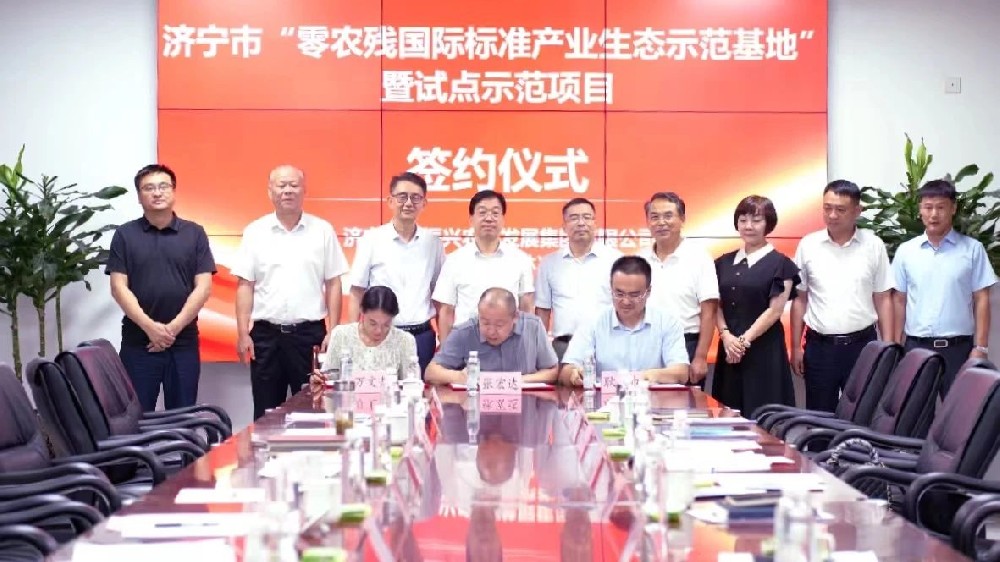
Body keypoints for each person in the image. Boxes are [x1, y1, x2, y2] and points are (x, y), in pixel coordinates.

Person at [230, 164, 349, 419]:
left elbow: (334, 283)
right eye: (281, 185)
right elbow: (245, 285)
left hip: (308, 335)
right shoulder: (255, 232)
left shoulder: (322, 231)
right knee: (265, 413)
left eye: (294, 185)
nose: (287, 190)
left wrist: (334, 330)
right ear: (270, 191)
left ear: (304, 190)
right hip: (266, 336)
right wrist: (242, 333)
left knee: (312, 410)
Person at [106, 164, 216, 411]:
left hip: (183, 341)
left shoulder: (194, 233)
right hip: (139, 342)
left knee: (183, 416)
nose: (157, 193)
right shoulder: (125, 235)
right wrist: (150, 328)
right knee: (137, 417)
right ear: (139, 196)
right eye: (149, 188)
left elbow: (203, 287)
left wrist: (171, 330)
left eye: (163, 186)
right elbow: (118, 287)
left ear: (173, 192)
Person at [790, 180, 893, 412]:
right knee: (819, 417)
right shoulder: (809, 245)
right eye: (827, 208)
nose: (832, 215)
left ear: (857, 211)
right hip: (820, 347)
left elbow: (883, 298)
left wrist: (887, 347)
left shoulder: (873, 245)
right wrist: (795, 347)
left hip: (863, 347)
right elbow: (800, 299)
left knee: (861, 415)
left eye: (840, 209)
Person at [892, 179, 996, 395]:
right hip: (916, 348)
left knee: (960, 411)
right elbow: (899, 300)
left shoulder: (973, 250)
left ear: (953, 208)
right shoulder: (906, 252)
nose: (934, 214)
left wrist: (981, 347)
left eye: (940, 207)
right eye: (928, 207)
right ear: (920, 209)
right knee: (914, 411)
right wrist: (896, 345)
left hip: (959, 350)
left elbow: (982, 299)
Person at [348, 172, 443, 376]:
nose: (408, 203)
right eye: (402, 197)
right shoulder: (372, 239)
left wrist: (445, 339)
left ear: (424, 203)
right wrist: (353, 338)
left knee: (419, 393)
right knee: (378, 392)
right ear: (390, 201)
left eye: (415, 198)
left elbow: (439, 296)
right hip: (381, 335)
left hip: (421, 336)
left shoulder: (433, 243)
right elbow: (357, 291)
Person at [712, 195, 799, 415]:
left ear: (768, 224)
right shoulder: (722, 263)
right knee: (728, 415)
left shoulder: (781, 264)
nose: (748, 226)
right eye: (743, 220)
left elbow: (775, 310)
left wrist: (743, 342)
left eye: (756, 220)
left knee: (763, 416)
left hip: (764, 351)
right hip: (729, 349)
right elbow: (714, 305)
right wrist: (726, 336)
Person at [560, 256, 690, 385]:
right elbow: (566, 371)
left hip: (652, 397)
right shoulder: (593, 322)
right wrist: (573, 374)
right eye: (619, 294)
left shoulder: (667, 322)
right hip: (603, 397)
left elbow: (681, 373)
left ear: (648, 291)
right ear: (611, 288)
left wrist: (642, 377)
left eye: (634, 295)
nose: (626, 301)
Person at [637, 192, 719, 387]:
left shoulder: (699, 258)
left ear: (682, 218)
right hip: (645, 344)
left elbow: (709, 312)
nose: (661, 222)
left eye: (668, 215)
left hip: (686, 344)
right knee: (644, 402)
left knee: (684, 404)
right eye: (654, 217)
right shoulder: (639, 259)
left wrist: (700, 356)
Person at [432, 190, 535, 343]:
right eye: (482, 212)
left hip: (508, 344)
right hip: (466, 343)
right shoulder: (454, 261)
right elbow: (446, 311)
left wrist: (528, 346)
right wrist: (446, 350)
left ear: (503, 219)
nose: (489, 218)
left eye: (495, 213)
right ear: (471, 219)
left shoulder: (520, 259)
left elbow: (527, 308)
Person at [535, 197, 620, 360]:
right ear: (564, 226)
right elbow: (543, 310)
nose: (581, 223)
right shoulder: (549, 263)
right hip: (563, 346)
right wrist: (539, 351)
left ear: (595, 223)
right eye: (574, 218)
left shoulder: (615, 260)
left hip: (606, 343)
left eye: (587, 217)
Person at [425, 288, 558, 385]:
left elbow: (553, 371)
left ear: (515, 317)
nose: (491, 331)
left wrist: (517, 381)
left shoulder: (533, 327)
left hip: (524, 405)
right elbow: (431, 372)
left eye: (499, 325)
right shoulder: (464, 332)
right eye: (485, 323)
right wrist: (460, 377)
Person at [309, 286, 417, 384]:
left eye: (386, 325)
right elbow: (328, 379)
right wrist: (319, 379)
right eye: (373, 323)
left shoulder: (405, 341)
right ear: (361, 311)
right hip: (347, 399)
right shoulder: (341, 335)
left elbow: (411, 385)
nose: (379, 330)